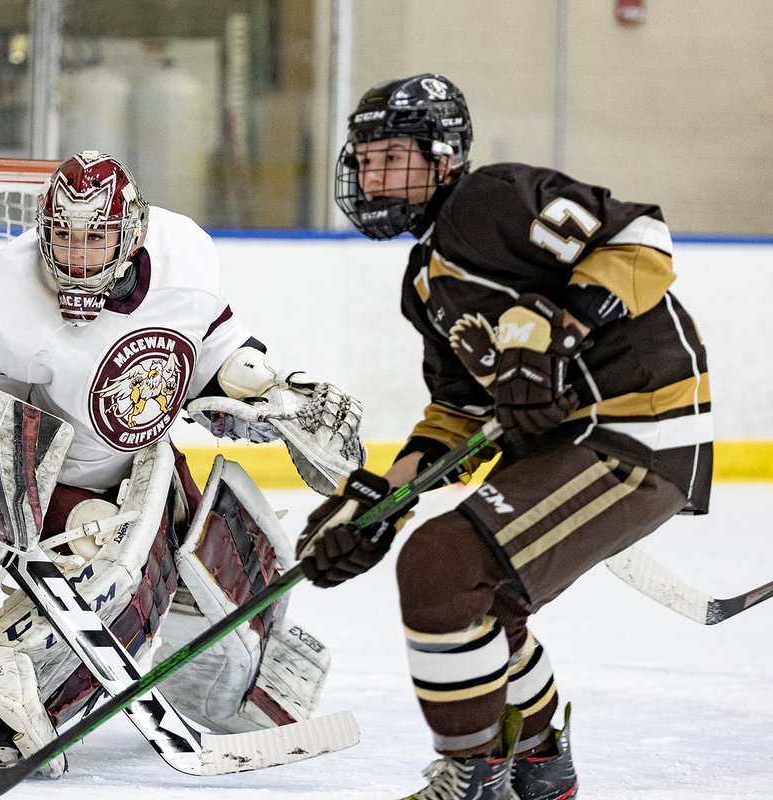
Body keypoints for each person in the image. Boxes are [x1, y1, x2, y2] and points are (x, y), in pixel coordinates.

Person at [296, 74, 712, 800]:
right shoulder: (424, 282)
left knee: (441, 565)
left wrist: (563, 328)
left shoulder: (491, 200)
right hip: (561, 441)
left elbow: (641, 237)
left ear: (445, 157)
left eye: (391, 157)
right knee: (483, 598)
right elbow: (458, 410)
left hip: (638, 424)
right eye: (364, 161)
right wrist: (379, 499)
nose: (372, 176)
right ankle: (541, 760)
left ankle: (473, 776)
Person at [0, 150, 365, 775]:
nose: (77, 256)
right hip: (60, 476)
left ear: (131, 234)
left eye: (95, 238)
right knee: (112, 587)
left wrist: (268, 391)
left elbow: (213, 344)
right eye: (64, 237)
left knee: (219, 550)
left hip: (146, 462)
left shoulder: (184, 255)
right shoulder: (6, 295)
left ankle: (226, 683)